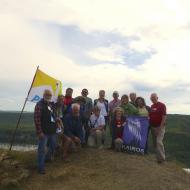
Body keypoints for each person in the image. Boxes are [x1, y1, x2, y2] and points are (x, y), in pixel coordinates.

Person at [34, 89, 57, 174]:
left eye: (50, 95)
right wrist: (39, 132)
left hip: (52, 131)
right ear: (43, 95)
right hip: (43, 132)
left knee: (54, 145)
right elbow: (37, 120)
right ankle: (41, 168)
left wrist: (57, 121)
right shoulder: (39, 105)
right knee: (41, 150)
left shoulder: (51, 104)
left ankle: (47, 158)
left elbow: (53, 115)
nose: (48, 96)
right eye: (47, 95)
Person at [149, 93, 167, 164]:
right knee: (155, 143)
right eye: (151, 98)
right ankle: (158, 159)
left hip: (160, 127)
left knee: (158, 142)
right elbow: (150, 116)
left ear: (157, 97)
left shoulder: (162, 105)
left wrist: (161, 126)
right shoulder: (152, 106)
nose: (153, 99)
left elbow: (164, 116)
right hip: (153, 127)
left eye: (154, 97)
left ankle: (162, 159)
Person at [54, 95, 72, 161]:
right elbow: (56, 118)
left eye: (62, 99)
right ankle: (57, 154)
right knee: (58, 141)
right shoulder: (53, 106)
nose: (61, 101)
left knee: (67, 140)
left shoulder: (64, 107)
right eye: (60, 99)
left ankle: (63, 155)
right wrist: (60, 124)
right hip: (55, 127)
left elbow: (64, 117)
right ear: (57, 99)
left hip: (61, 127)